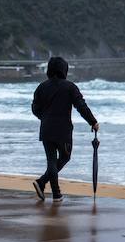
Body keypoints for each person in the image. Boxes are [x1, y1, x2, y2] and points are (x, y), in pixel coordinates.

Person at [31, 57, 99, 202]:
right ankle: (44, 184)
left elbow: (35, 108)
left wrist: (45, 118)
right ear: (64, 69)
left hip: (46, 129)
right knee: (64, 157)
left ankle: (55, 193)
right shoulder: (70, 87)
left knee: (51, 160)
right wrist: (93, 122)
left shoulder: (41, 87)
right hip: (63, 131)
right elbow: (81, 106)